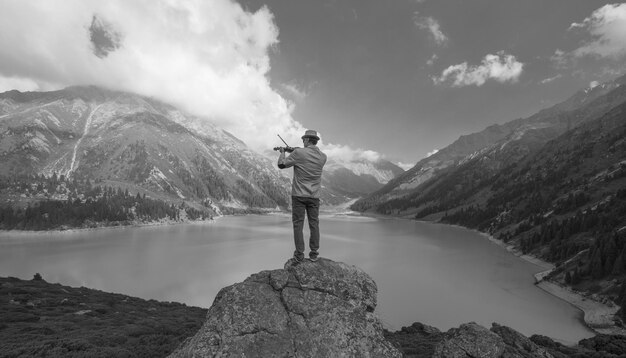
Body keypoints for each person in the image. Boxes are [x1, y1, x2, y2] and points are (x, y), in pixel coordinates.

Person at [277, 129, 327, 263]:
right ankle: (314, 254)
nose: (302, 141)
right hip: (314, 196)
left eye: (303, 139)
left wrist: (283, 152)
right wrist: (294, 150)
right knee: (314, 224)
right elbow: (307, 154)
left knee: (298, 225)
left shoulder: (299, 153)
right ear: (315, 141)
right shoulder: (323, 157)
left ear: (306, 140)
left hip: (299, 195)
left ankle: (299, 255)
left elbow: (281, 165)